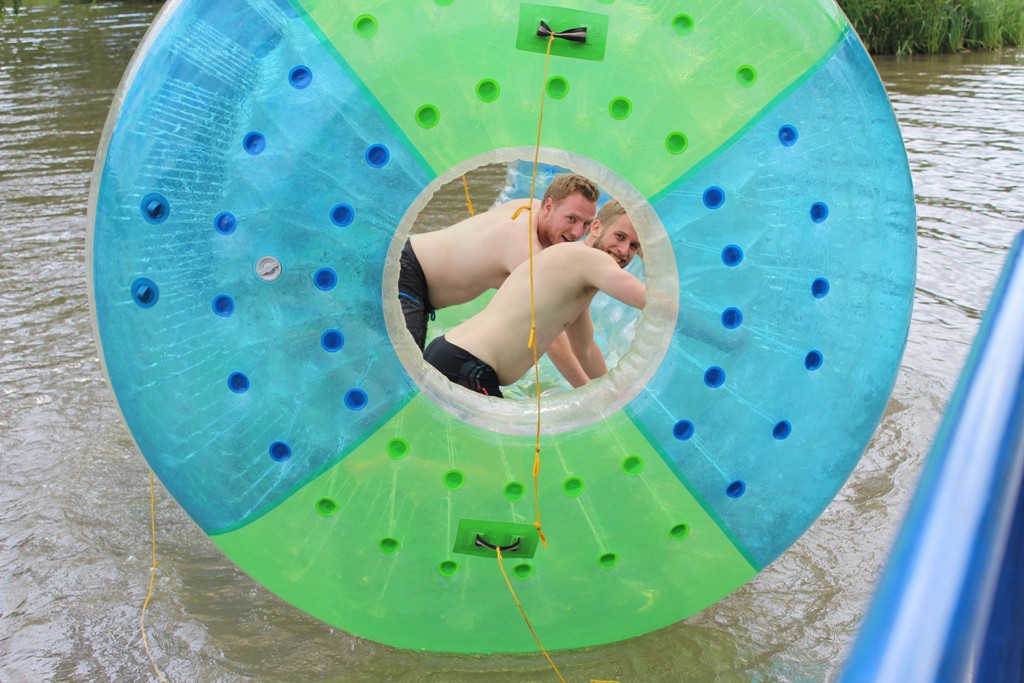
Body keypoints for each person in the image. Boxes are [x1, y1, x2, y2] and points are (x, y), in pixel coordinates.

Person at [398, 173, 599, 352]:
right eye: (571, 219)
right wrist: (584, 383)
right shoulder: (522, 245)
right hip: (408, 276)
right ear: (548, 207)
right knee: (403, 371)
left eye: (586, 224)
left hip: (412, 273)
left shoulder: (531, 207)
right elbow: (549, 335)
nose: (577, 233)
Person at [423, 242, 646, 398]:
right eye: (619, 236)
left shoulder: (570, 266)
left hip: (450, 351)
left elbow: (585, 347)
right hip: (469, 366)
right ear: (597, 228)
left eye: (634, 245)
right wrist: (588, 394)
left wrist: (610, 393)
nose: (624, 250)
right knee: (503, 448)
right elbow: (653, 301)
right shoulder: (585, 260)